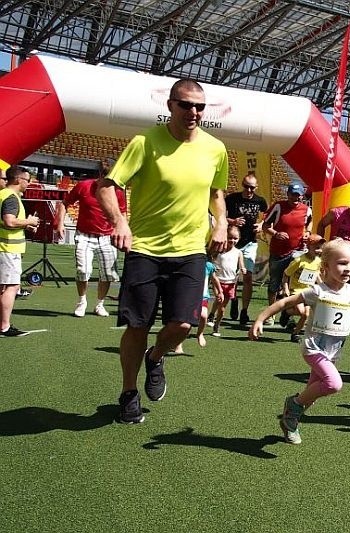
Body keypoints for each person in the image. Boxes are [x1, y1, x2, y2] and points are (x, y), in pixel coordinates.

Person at [96, 78, 229, 424]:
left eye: (199, 106)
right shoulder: (145, 142)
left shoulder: (216, 149)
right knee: (137, 325)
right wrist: (120, 222)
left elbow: (216, 193)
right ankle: (128, 392)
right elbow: (107, 187)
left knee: (184, 323)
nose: (193, 112)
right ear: (170, 105)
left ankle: (156, 357)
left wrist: (221, 223)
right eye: (185, 104)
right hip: (145, 249)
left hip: (190, 250)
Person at [249, 239, 350, 445]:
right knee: (334, 384)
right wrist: (260, 319)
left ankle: (290, 421)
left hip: (333, 352)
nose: (348, 269)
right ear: (326, 266)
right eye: (342, 263)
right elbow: (285, 302)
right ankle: (293, 404)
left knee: (311, 396)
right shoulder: (318, 291)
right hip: (313, 348)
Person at [55, 158, 127, 318]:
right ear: (100, 174)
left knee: (108, 273)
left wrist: (124, 231)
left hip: (108, 237)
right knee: (83, 270)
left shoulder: (119, 191)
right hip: (84, 235)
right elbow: (64, 203)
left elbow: (122, 213)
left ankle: (99, 305)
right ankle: (82, 301)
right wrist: (60, 224)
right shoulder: (84, 186)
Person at [261, 182, 312, 325]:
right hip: (278, 252)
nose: (295, 198)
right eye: (292, 194)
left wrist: (307, 233)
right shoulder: (278, 206)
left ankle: (287, 315)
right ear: (288, 194)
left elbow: (308, 224)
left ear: (302, 195)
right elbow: (265, 226)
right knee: (274, 284)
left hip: (297, 253)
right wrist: (276, 233)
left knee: (291, 286)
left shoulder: (306, 210)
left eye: (298, 195)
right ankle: (271, 314)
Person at [0, 166, 40, 337]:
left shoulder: (3, 194)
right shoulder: (11, 197)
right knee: (11, 287)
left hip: (5, 248)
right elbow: (9, 221)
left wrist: (26, 224)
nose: (28, 184)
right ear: (17, 180)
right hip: (8, 249)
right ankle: (4, 326)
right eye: (27, 180)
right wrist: (29, 221)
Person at [225, 172, 269, 326]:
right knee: (232, 276)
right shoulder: (232, 199)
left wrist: (261, 225)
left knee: (247, 276)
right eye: (246, 187)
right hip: (233, 241)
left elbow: (268, 216)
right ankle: (234, 300)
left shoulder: (260, 201)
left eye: (252, 188)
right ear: (242, 185)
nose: (249, 190)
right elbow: (219, 215)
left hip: (250, 242)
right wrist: (233, 220)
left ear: (256, 187)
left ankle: (244, 310)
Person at [278, 233, 325, 342]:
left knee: (306, 315)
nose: (319, 250)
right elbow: (286, 274)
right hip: (296, 291)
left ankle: (295, 333)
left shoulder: (318, 261)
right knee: (301, 311)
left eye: (320, 248)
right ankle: (287, 312)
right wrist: (285, 287)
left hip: (308, 291)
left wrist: (322, 286)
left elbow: (316, 274)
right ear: (308, 247)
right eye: (316, 247)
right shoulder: (299, 261)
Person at [316, 196, 350, 284]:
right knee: (331, 291)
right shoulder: (337, 213)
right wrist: (321, 245)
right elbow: (321, 224)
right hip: (335, 260)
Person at [210, 226, 246, 338]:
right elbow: (212, 259)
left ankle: (217, 324)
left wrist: (243, 269)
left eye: (235, 238)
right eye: (230, 238)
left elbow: (241, 265)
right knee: (218, 299)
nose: (232, 241)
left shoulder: (238, 252)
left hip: (230, 283)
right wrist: (213, 267)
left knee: (222, 307)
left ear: (239, 239)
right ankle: (212, 315)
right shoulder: (220, 250)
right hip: (218, 281)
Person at [196, 247, 224, 347]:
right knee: (184, 323)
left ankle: (200, 334)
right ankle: (178, 344)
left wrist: (220, 291)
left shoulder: (208, 266)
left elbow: (214, 279)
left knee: (204, 316)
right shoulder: (190, 266)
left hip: (203, 297)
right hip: (190, 297)